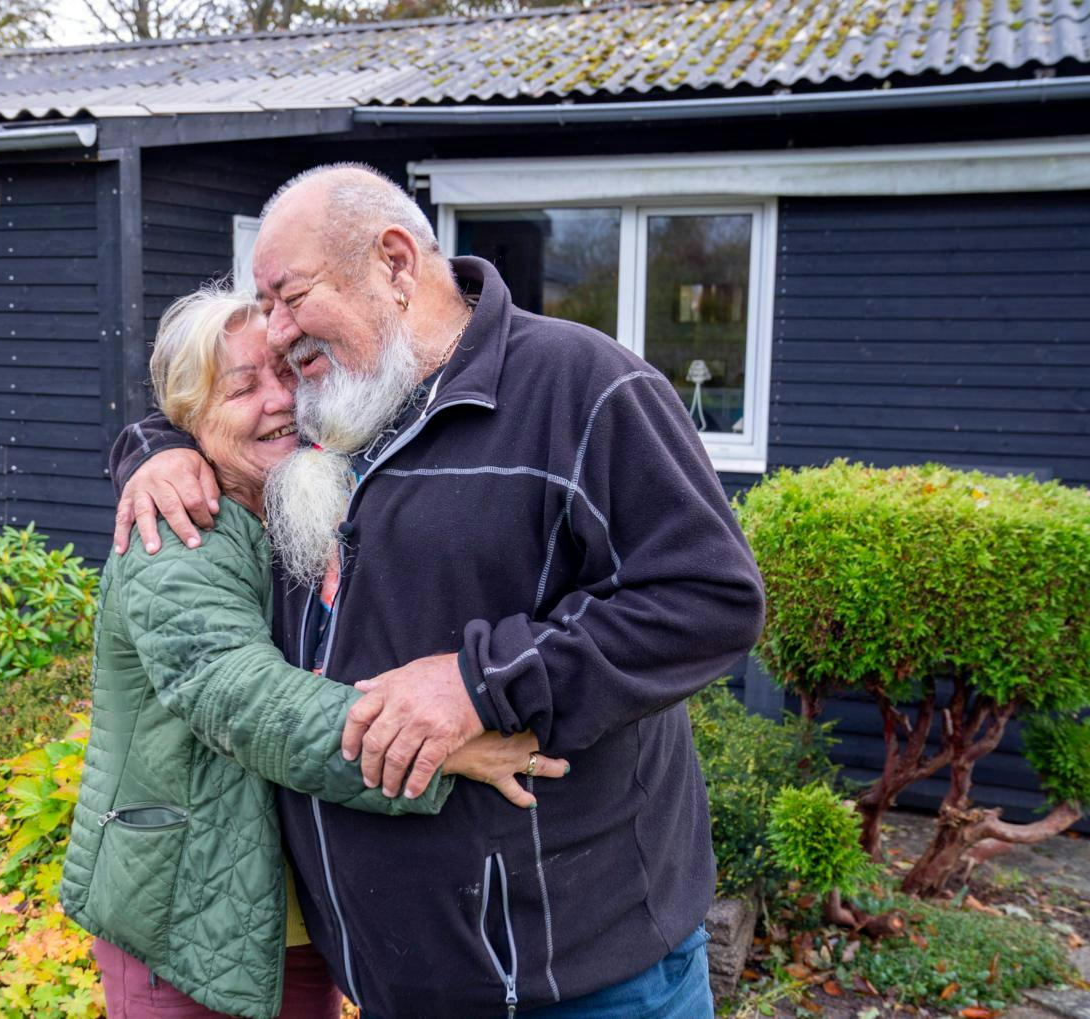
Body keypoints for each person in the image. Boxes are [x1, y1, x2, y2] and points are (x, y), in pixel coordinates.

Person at [108, 165, 767, 1018]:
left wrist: (476, 683)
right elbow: (218, 403)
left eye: (287, 296)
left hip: (578, 975)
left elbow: (709, 597)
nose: (274, 334)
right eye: (261, 305)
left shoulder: (581, 385)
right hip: (395, 978)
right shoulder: (343, 393)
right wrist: (155, 446)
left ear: (392, 263)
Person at [60, 284, 569, 1019]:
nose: (280, 400)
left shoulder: (307, 495)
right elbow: (241, 697)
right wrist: (439, 741)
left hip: (291, 915)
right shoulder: (174, 536)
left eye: (288, 372)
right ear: (190, 420)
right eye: (241, 388)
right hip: (186, 914)